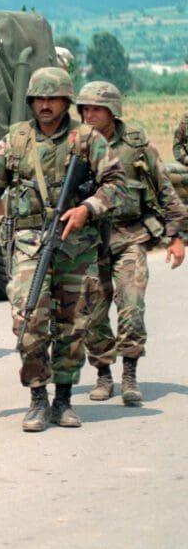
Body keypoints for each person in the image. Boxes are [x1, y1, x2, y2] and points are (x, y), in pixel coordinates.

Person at [0, 67, 124, 432]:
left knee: (72, 325)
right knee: (28, 319)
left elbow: (117, 185)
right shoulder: (15, 141)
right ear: (31, 101)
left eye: (53, 99)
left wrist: (88, 209)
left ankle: (63, 399)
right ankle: (37, 396)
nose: (46, 105)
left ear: (66, 101)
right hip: (30, 246)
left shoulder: (87, 140)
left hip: (76, 248)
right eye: (39, 99)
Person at [77, 81, 187, 406]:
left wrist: (176, 237)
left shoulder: (136, 146)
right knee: (91, 313)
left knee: (131, 306)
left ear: (113, 110)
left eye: (96, 108)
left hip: (130, 237)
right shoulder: (76, 145)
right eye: (84, 108)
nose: (89, 114)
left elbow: (165, 190)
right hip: (88, 242)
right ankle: (102, 374)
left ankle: (129, 374)